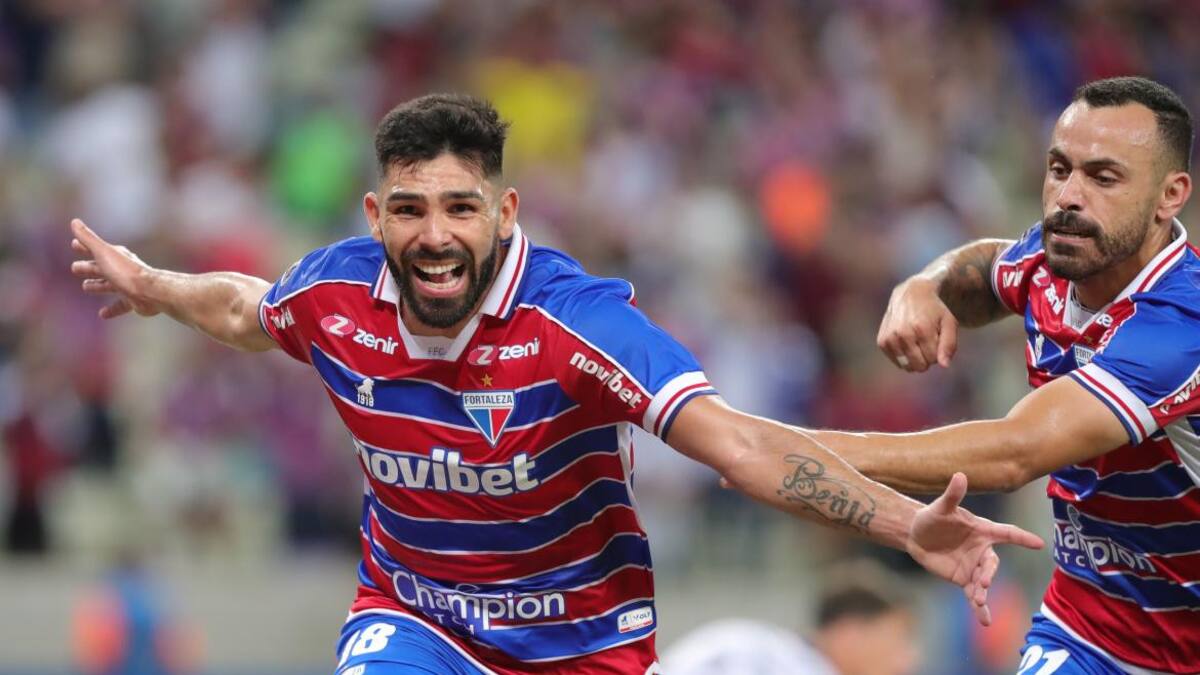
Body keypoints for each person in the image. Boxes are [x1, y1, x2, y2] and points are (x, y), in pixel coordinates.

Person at [68, 93, 1041, 675]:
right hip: (416, 619)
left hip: (583, 643)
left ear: (505, 210)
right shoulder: (333, 295)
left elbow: (741, 449)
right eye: (409, 209)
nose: (435, 234)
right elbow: (247, 308)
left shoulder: (580, 325)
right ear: (377, 212)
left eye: (460, 207)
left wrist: (903, 521)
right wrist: (155, 287)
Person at [820, 76, 1199, 674]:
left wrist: (805, 451)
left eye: (1103, 177)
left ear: (1170, 194)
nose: (1068, 197)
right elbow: (991, 264)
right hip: (1089, 631)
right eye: (1059, 168)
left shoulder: (1181, 326)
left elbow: (1016, 453)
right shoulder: (1062, 257)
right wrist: (925, 284)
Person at [661, 561, 919, 675]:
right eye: (898, 641)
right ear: (848, 634)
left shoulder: (744, 641)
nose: (907, 662)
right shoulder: (749, 652)